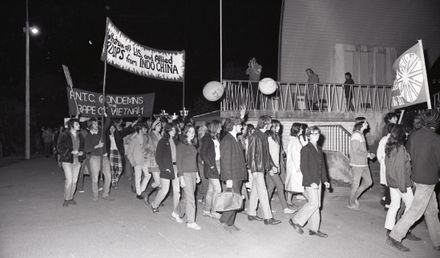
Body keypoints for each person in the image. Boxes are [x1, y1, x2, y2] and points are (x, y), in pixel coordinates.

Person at [387, 110, 440, 252]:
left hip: (415, 176)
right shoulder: (436, 139)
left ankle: (437, 241)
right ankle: (395, 236)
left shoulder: (414, 134)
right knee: (416, 211)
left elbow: (408, 155)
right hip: (427, 180)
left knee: (432, 211)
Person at [289, 126, 330, 238]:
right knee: (314, 203)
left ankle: (314, 229)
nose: (316, 136)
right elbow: (304, 167)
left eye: (317, 134)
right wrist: (311, 181)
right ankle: (295, 220)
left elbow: (322, 167)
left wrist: (325, 180)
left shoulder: (319, 149)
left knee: (317, 205)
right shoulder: (305, 149)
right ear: (308, 136)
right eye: (313, 134)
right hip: (310, 181)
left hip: (318, 181)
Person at [383, 124, 420, 240]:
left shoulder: (390, 147)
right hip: (401, 183)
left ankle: (389, 229)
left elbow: (387, 165)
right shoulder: (400, 149)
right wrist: (403, 187)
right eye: (406, 132)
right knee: (412, 206)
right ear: (401, 134)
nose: (407, 134)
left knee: (394, 205)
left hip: (393, 182)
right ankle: (403, 229)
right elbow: (400, 169)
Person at [247, 115, 281, 225]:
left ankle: (251, 213)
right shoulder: (255, 136)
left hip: (261, 167)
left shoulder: (263, 135)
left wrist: (271, 165)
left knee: (255, 191)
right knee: (263, 192)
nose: (271, 125)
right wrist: (254, 171)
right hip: (257, 168)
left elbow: (266, 154)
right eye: (270, 123)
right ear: (265, 123)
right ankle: (268, 218)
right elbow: (250, 155)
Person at [219, 117, 248, 232]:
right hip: (233, 175)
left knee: (234, 198)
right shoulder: (227, 140)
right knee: (234, 198)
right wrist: (228, 178)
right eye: (239, 124)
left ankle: (227, 221)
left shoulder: (234, 138)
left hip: (238, 173)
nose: (241, 126)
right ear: (234, 126)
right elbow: (225, 161)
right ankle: (226, 221)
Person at [150, 123, 181, 218]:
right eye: (171, 129)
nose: (173, 131)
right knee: (164, 190)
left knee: (177, 191)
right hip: (166, 168)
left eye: (174, 129)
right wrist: (164, 168)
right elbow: (158, 157)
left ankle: (176, 211)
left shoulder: (177, 142)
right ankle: (154, 204)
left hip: (176, 168)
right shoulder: (162, 141)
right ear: (167, 130)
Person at [175, 125, 202, 230]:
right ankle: (191, 221)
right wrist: (181, 177)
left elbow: (194, 161)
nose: (192, 134)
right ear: (185, 133)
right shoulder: (181, 145)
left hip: (192, 173)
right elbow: (179, 162)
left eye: (193, 132)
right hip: (185, 173)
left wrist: (197, 174)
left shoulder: (192, 145)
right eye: (189, 132)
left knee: (186, 197)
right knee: (191, 198)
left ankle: (176, 212)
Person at [266, 120, 295, 214]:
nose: (279, 128)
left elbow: (277, 153)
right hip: (271, 167)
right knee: (280, 185)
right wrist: (271, 166)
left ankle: (264, 206)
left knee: (270, 188)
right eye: (277, 126)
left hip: (276, 166)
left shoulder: (277, 137)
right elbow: (267, 154)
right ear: (272, 127)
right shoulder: (268, 137)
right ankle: (285, 208)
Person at [348, 119, 375, 210]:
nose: (367, 124)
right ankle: (351, 203)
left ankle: (355, 197)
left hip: (363, 164)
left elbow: (361, 149)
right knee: (355, 184)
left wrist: (369, 154)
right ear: (361, 124)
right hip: (357, 164)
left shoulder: (361, 134)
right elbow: (355, 150)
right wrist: (367, 154)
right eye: (365, 123)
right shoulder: (356, 134)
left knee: (369, 182)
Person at [57, 118, 85, 206]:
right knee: (69, 180)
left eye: (79, 124)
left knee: (74, 181)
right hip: (67, 160)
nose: (79, 125)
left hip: (77, 160)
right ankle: (66, 199)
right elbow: (59, 147)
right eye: (77, 124)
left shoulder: (80, 135)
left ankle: (71, 197)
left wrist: (81, 152)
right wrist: (71, 151)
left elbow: (83, 147)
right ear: (71, 126)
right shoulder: (64, 134)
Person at [84, 117, 113, 201]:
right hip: (94, 158)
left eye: (97, 123)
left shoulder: (101, 132)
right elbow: (87, 149)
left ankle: (105, 194)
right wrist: (97, 146)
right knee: (95, 178)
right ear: (91, 125)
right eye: (95, 123)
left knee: (108, 177)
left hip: (104, 157)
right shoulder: (88, 136)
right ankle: (95, 194)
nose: (97, 125)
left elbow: (108, 122)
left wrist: (106, 114)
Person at [200, 120, 222, 219]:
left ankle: (206, 210)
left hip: (217, 163)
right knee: (218, 189)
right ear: (215, 127)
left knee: (211, 190)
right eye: (219, 127)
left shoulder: (216, 137)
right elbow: (203, 153)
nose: (221, 128)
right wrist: (211, 165)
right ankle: (214, 211)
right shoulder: (207, 138)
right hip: (212, 165)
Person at [126, 123, 151, 199]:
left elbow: (146, 149)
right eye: (145, 128)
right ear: (140, 129)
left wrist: (147, 149)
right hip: (136, 161)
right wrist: (132, 162)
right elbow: (129, 152)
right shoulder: (134, 139)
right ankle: (139, 193)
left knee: (148, 175)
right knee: (138, 177)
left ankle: (141, 189)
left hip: (144, 160)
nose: (146, 130)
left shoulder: (145, 137)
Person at [285, 123, 308, 206]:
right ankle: (311, 201)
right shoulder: (294, 141)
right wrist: (299, 167)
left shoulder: (295, 139)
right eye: (301, 129)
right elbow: (295, 155)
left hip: (293, 166)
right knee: (299, 185)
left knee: (293, 184)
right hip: (296, 167)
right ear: (297, 129)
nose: (302, 130)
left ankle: (288, 200)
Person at [143, 119, 163, 203]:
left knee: (161, 182)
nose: (160, 127)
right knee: (158, 182)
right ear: (154, 126)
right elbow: (146, 147)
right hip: (153, 160)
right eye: (158, 126)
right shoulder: (150, 135)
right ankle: (146, 193)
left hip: (160, 160)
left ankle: (157, 199)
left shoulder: (160, 135)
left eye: (161, 126)